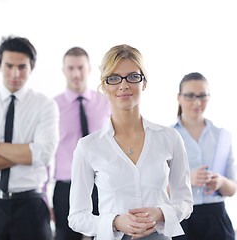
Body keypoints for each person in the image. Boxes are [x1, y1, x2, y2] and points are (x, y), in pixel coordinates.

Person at [68, 44, 193, 240]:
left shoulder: (169, 138)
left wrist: (159, 213)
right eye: (114, 78)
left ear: (144, 83)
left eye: (133, 76)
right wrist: (116, 222)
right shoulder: (88, 147)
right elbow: (76, 217)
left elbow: (185, 202)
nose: (123, 85)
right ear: (104, 85)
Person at [0, 36, 59, 240]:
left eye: (22, 67)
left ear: (32, 67)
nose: (15, 73)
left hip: (31, 206)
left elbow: (43, 155)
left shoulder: (45, 105)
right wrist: (27, 152)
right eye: (9, 66)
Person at [53, 47, 111, 240]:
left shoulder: (106, 102)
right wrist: (44, 196)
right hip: (65, 187)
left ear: (89, 69)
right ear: (64, 71)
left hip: (102, 185)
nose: (76, 73)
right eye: (71, 68)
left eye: (80, 67)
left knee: (105, 234)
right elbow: (47, 152)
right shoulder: (52, 107)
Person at [173, 72, 237, 240]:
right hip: (182, 219)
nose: (197, 102)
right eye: (190, 96)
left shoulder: (222, 136)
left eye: (202, 95)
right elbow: (157, 189)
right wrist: (186, 180)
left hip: (217, 218)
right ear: (179, 98)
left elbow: (232, 188)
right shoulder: (168, 136)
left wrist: (221, 181)